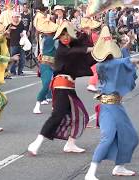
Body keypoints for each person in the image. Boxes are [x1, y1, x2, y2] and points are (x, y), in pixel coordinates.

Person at [27, 22, 94, 155]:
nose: (64, 37)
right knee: (57, 115)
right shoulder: (63, 50)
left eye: (67, 34)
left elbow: (87, 59)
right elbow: (76, 51)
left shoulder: (73, 48)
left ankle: (70, 144)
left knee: (79, 115)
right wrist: (89, 49)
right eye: (62, 35)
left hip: (69, 87)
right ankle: (36, 143)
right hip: (61, 86)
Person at [85, 26, 139, 180]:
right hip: (108, 106)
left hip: (116, 105)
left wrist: (126, 51)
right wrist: (130, 60)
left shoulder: (112, 63)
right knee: (108, 137)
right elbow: (118, 64)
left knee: (130, 136)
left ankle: (119, 166)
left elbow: (119, 62)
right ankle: (91, 172)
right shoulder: (103, 65)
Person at [32, 17, 58, 114]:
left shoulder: (53, 38)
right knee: (46, 84)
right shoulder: (46, 39)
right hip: (46, 64)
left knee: (56, 86)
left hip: (55, 64)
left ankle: (54, 105)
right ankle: (37, 104)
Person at [78, 18, 101, 92]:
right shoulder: (93, 35)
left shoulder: (85, 35)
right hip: (92, 55)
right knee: (98, 70)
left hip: (87, 55)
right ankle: (92, 84)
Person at [7, 11, 26, 76]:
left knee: (22, 58)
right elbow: (7, 35)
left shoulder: (21, 24)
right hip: (13, 43)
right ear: (12, 17)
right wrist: (9, 33)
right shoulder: (10, 25)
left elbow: (25, 32)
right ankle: (13, 71)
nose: (16, 18)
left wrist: (23, 34)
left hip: (21, 44)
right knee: (13, 58)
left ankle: (20, 71)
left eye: (18, 17)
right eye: (15, 17)